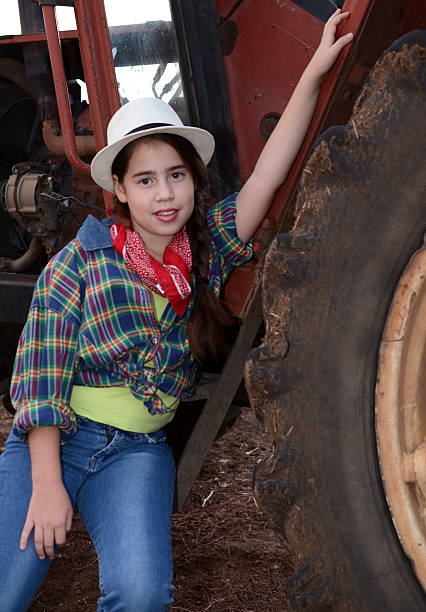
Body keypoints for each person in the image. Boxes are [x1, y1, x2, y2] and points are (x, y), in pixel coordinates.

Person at [0, 10, 352, 612]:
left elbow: (270, 174)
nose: (164, 195)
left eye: (175, 176)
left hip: (136, 450)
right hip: (61, 443)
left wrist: (314, 73)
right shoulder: (79, 262)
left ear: (194, 180)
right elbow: (39, 377)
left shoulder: (204, 255)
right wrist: (48, 484)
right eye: (145, 181)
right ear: (120, 191)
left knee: (140, 595)